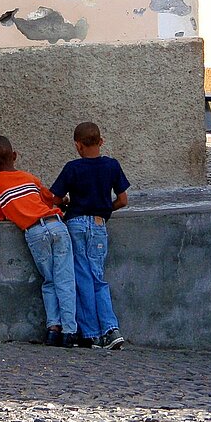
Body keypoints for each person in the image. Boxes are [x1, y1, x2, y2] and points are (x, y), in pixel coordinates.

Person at [0, 135, 77, 348]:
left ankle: (53, 329)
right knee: (65, 279)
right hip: (55, 224)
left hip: (34, 232)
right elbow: (50, 198)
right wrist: (64, 201)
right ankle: (70, 331)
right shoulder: (29, 177)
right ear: (15, 155)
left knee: (49, 280)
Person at [50, 122, 130, 350]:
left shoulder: (72, 168)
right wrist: (105, 208)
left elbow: (54, 198)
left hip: (75, 223)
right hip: (98, 224)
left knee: (82, 278)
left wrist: (66, 202)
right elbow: (123, 200)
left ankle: (92, 333)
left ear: (78, 146)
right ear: (101, 141)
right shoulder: (112, 166)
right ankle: (111, 329)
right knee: (98, 277)